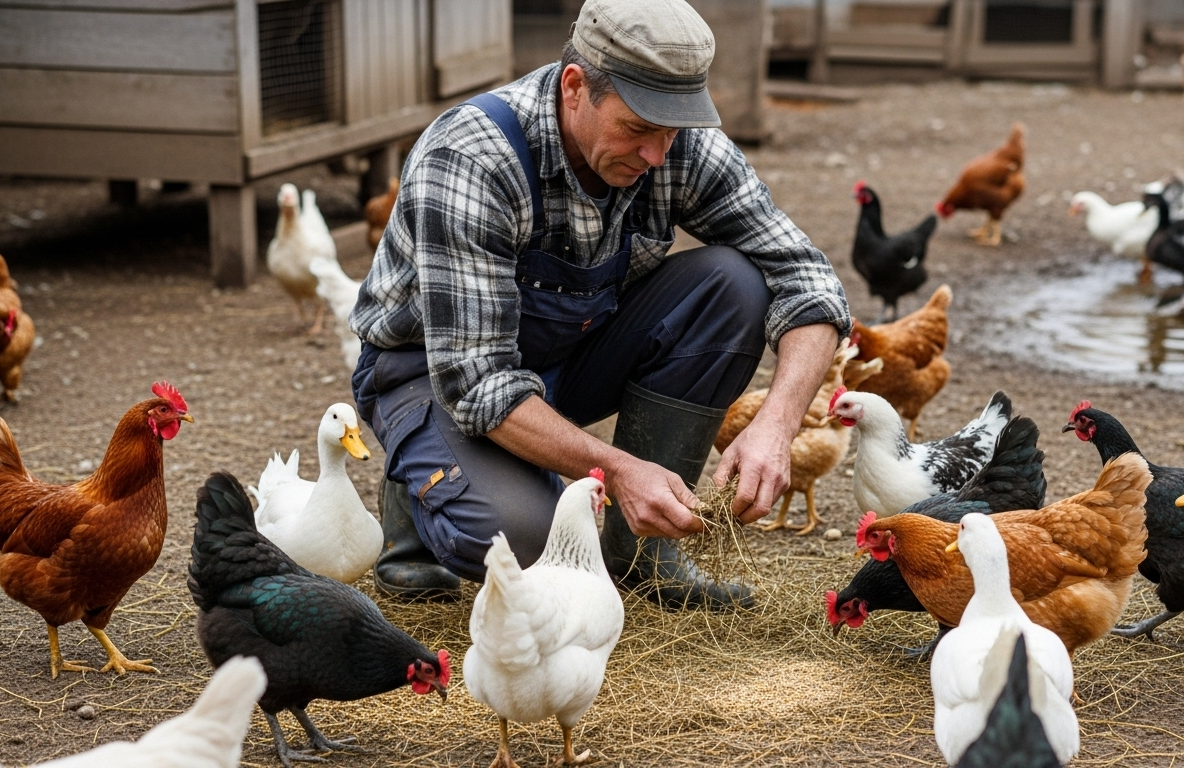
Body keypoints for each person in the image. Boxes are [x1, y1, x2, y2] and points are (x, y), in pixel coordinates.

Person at [350, 0, 850, 610]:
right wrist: (615, 468)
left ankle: (641, 553)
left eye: (671, 131)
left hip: (566, 352)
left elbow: (808, 276)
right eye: (638, 129)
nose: (657, 155)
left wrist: (777, 423)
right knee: (531, 542)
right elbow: (478, 382)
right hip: (435, 374)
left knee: (734, 283)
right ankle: (417, 496)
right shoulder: (473, 157)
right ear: (574, 87)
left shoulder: (676, 145)